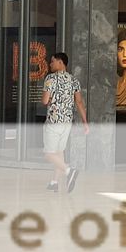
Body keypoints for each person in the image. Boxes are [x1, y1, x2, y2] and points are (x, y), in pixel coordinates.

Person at [41, 52, 86, 193]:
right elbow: (79, 102)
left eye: (52, 61)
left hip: (54, 122)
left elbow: (44, 101)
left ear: (60, 62)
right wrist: (85, 121)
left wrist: (49, 98)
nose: (50, 64)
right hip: (67, 122)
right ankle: (55, 182)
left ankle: (69, 171)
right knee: (59, 153)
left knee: (48, 154)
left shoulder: (50, 78)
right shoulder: (74, 80)